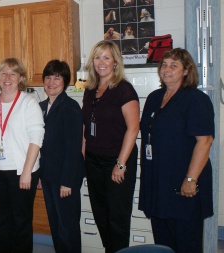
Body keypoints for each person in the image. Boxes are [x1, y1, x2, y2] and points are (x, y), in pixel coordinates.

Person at [139, 48, 214, 253]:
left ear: (186, 71)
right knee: (164, 245)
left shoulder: (195, 99)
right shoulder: (155, 97)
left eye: (174, 65)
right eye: (164, 64)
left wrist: (191, 179)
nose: (167, 69)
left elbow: (205, 141)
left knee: (186, 244)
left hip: (183, 185)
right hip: (158, 183)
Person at [0, 57, 44, 253]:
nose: (7, 77)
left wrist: (27, 172)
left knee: (21, 222)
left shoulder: (28, 103)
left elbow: (37, 138)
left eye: (13, 73)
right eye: (3, 73)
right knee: (1, 220)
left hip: (21, 171)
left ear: (20, 78)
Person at [82, 40, 140, 253]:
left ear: (115, 62)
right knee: (101, 214)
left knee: (117, 218)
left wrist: (121, 164)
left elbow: (133, 129)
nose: (101, 62)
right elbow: (86, 127)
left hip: (117, 162)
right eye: (97, 57)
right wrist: (83, 158)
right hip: (94, 161)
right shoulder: (90, 90)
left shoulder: (124, 89)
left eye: (106, 57)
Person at [38, 60, 85, 253]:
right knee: (55, 224)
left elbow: (74, 148)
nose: (51, 82)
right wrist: (39, 175)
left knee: (68, 226)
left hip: (65, 178)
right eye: (48, 77)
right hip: (48, 176)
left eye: (57, 78)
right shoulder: (40, 106)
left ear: (65, 81)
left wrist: (67, 182)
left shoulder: (71, 107)